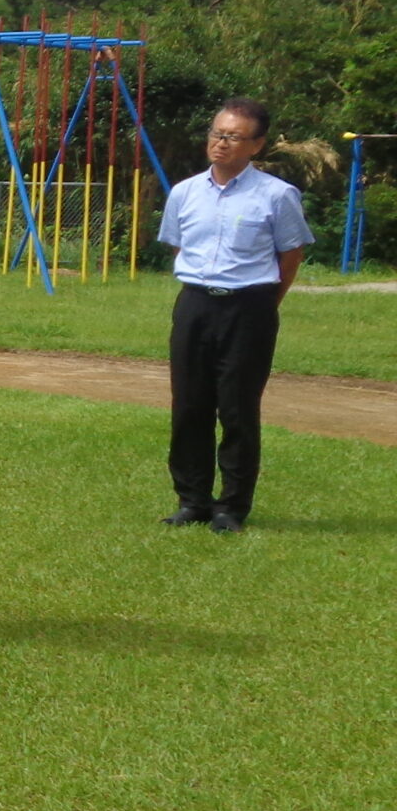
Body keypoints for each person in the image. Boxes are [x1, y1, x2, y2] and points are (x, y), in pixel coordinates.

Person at [157, 98, 314, 533]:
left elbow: (291, 255)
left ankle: (231, 507)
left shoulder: (277, 195)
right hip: (194, 304)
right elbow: (178, 246)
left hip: (249, 307)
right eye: (216, 134)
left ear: (256, 145)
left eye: (233, 137)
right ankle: (192, 500)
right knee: (189, 404)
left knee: (238, 409)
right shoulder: (184, 192)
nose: (220, 143)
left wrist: (262, 303)